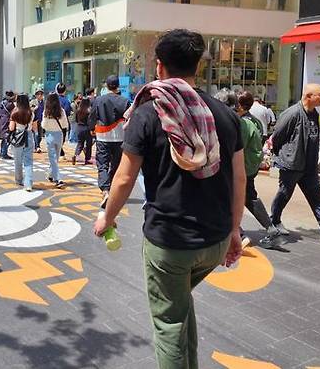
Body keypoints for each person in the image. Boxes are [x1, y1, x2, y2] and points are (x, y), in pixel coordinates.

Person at [94, 29, 245, 369]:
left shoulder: (149, 113)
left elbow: (124, 177)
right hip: (216, 240)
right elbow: (239, 178)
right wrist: (235, 230)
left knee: (169, 322)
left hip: (170, 245)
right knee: (178, 304)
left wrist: (107, 216)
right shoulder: (223, 113)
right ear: (198, 67)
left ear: (159, 67)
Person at [268, 83, 320, 243]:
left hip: (309, 167)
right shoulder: (292, 114)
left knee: (317, 198)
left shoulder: (314, 114)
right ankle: (273, 221)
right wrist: (283, 156)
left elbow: (315, 138)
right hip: (291, 165)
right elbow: (277, 137)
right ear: (309, 96)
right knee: (284, 194)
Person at [216, 90, 280, 248]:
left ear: (240, 106)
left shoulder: (242, 123)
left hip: (241, 167)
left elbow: (235, 148)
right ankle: (270, 229)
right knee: (248, 197)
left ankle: (239, 232)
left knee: (226, 196)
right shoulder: (254, 121)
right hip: (250, 165)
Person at [88, 75, 131, 206]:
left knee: (102, 164)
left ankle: (105, 191)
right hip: (120, 137)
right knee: (116, 165)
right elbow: (130, 118)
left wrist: (91, 129)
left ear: (106, 86)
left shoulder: (99, 100)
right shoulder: (124, 101)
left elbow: (92, 116)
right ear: (118, 86)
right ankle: (112, 190)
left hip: (102, 137)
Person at [9, 93, 36, 192]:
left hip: (17, 137)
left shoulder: (14, 112)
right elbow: (34, 128)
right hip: (28, 136)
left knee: (18, 161)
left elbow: (11, 128)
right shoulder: (31, 113)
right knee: (28, 161)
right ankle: (28, 183)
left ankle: (19, 180)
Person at [42, 93, 68, 189]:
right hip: (59, 135)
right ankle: (50, 175)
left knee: (53, 158)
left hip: (49, 135)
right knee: (55, 157)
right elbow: (65, 125)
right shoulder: (62, 111)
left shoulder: (46, 112)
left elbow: (43, 125)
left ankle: (58, 178)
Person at [73, 98, 93, 165]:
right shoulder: (89, 111)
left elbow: (76, 119)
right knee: (89, 144)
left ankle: (76, 155)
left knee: (80, 143)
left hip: (79, 127)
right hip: (87, 128)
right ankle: (87, 159)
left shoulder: (78, 110)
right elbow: (90, 121)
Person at [0, 90, 16, 160]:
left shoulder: (1, 103)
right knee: (7, 138)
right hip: (7, 122)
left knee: (4, 138)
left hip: (1, 121)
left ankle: (3, 153)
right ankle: (4, 153)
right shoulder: (10, 104)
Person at [56, 83, 72, 158]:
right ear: (65, 91)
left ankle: (59, 151)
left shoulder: (54, 99)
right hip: (63, 122)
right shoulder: (66, 101)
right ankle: (60, 151)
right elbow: (67, 112)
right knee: (62, 137)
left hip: (54, 121)